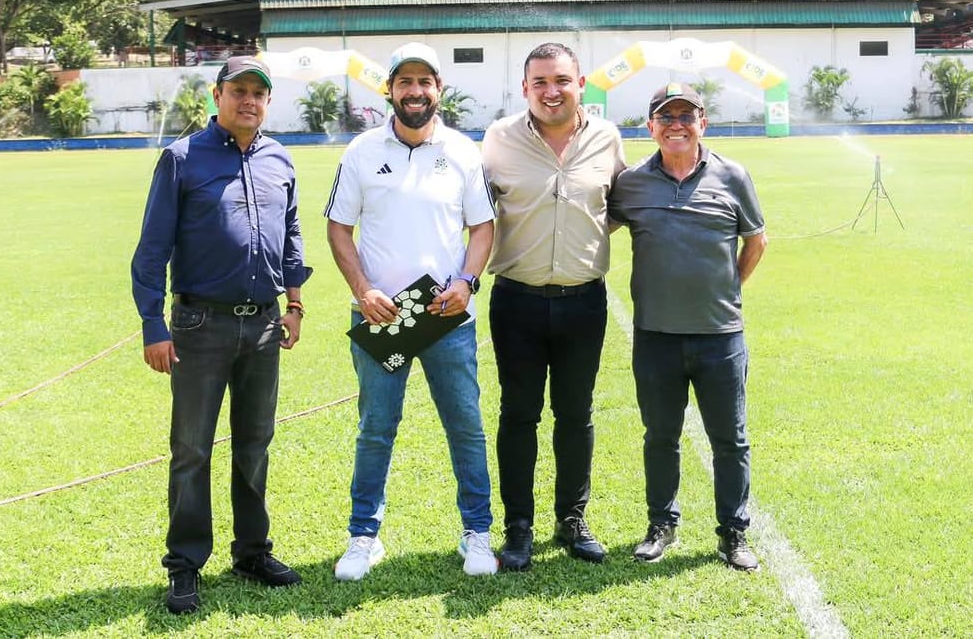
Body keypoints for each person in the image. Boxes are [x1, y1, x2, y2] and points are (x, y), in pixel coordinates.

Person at [131, 56, 310, 614]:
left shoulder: (280, 158)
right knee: (191, 451)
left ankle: (252, 551)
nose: (248, 100)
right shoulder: (181, 159)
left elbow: (292, 234)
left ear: (267, 100)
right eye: (238, 91)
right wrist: (153, 326)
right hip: (198, 327)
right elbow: (151, 249)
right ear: (217, 95)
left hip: (262, 325)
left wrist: (296, 302)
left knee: (255, 444)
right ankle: (185, 566)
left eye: (259, 92)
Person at [324, 42, 498, 580]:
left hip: (445, 314)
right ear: (390, 90)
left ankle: (477, 532)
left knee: (465, 426)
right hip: (382, 314)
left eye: (425, 82)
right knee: (377, 427)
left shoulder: (464, 152)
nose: (415, 91)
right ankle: (363, 537)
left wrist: (468, 282)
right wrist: (362, 288)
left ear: (439, 90)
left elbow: (482, 226)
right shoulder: (360, 151)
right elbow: (338, 226)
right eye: (405, 82)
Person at [607, 81, 767, 572]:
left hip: (720, 337)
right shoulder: (631, 182)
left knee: (730, 439)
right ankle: (661, 524)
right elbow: (593, 226)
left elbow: (756, 241)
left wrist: (726, 290)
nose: (676, 125)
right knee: (660, 435)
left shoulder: (733, 175)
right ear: (650, 126)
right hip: (655, 337)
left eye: (686, 116)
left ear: (703, 122)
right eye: (666, 117)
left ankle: (733, 533)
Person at [481, 42, 626, 571]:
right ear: (525, 88)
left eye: (561, 80)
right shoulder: (498, 139)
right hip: (516, 300)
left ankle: (572, 518)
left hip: (583, 301)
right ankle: (518, 526)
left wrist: (578, 244)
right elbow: (476, 211)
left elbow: (615, 207)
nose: (551, 91)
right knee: (518, 415)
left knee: (575, 413)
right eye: (540, 82)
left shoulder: (608, 139)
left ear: (580, 83)